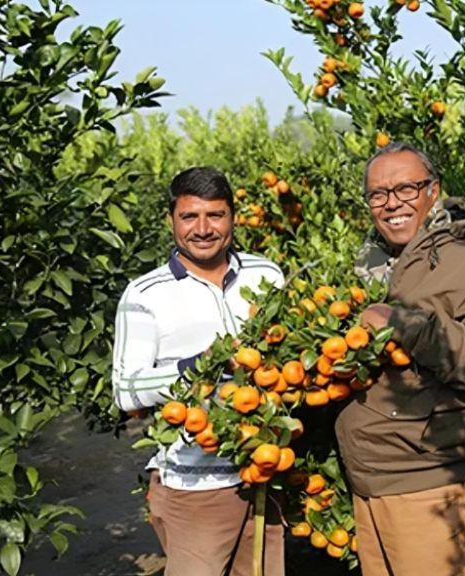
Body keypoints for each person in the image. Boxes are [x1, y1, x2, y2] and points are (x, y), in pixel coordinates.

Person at [336, 142, 465, 575]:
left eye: (406, 188)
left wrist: (407, 325)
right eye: (378, 194)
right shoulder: (374, 265)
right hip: (373, 477)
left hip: (430, 478)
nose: (391, 204)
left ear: (433, 190)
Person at [112, 167, 286, 576]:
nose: (203, 229)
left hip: (266, 470)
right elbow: (126, 390)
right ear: (171, 220)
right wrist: (197, 366)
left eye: (215, 215)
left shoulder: (268, 276)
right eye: (190, 217)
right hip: (195, 488)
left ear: (233, 218)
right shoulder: (145, 294)